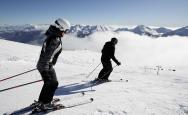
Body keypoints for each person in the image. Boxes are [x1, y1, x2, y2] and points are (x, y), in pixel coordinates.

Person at [34, 18, 70, 111]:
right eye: (65, 30)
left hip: (45, 64)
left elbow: (47, 54)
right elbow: (47, 56)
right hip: (45, 65)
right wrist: (45, 71)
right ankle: (46, 103)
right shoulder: (55, 39)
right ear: (61, 28)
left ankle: (42, 101)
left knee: (49, 83)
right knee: (52, 83)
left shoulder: (52, 35)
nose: (65, 32)